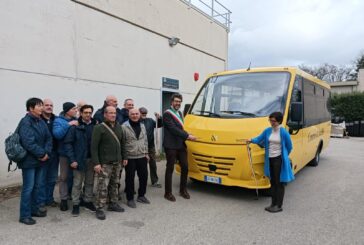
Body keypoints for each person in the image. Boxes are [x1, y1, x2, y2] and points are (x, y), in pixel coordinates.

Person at [248, 111, 294, 213]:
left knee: (279, 183)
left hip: (279, 159)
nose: (271, 123)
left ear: (279, 121)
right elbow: (259, 138)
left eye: (273, 121)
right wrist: (251, 140)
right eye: (270, 120)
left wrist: (284, 156)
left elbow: (289, 146)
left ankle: (279, 205)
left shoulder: (283, 132)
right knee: (272, 182)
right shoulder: (267, 131)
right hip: (270, 159)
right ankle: (273, 204)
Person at [18, 98, 52, 225]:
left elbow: (49, 138)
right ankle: (24, 215)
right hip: (29, 161)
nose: (42, 107)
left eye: (41, 105)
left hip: (41, 160)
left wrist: (46, 153)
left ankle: (34, 210)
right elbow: (28, 142)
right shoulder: (26, 122)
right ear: (31, 108)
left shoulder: (40, 121)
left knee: (37, 187)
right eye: (39, 106)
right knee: (28, 188)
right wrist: (42, 153)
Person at [91, 106, 127, 220]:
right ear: (105, 114)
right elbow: (94, 147)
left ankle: (113, 203)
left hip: (117, 162)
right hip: (105, 163)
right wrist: (96, 163)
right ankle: (99, 208)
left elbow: (123, 144)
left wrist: (124, 157)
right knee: (102, 186)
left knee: (115, 184)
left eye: (114, 113)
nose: (113, 115)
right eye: (110, 113)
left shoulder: (119, 127)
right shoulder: (99, 128)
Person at [64, 105, 97, 216]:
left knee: (89, 182)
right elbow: (68, 144)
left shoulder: (95, 126)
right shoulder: (74, 127)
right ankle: (76, 204)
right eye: (86, 112)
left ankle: (87, 201)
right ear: (81, 113)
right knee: (77, 183)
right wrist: (72, 160)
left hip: (91, 160)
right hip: (78, 160)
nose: (88, 114)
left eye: (90, 112)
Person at [163, 93, 196, 202]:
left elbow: (180, 129)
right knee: (170, 168)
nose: (178, 103)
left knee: (185, 167)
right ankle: (168, 193)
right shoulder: (167, 114)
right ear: (172, 102)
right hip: (171, 145)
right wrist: (187, 136)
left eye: (179, 102)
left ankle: (183, 190)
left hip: (180, 144)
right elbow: (173, 129)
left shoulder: (180, 113)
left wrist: (187, 133)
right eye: (176, 101)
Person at [53, 102, 78, 211]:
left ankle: (73, 195)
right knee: (63, 177)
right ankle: (63, 199)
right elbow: (57, 135)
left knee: (75, 176)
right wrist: (69, 124)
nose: (76, 110)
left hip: (76, 153)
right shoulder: (58, 120)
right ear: (67, 110)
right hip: (64, 154)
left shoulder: (77, 119)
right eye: (74, 108)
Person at [122, 108, 150, 208]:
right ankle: (130, 199)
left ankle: (141, 195)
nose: (135, 115)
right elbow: (122, 143)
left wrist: (146, 152)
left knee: (144, 177)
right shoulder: (124, 127)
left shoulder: (142, 125)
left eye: (136, 114)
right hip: (130, 157)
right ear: (129, 115)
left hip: (142, 155)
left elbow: (145, 140)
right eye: (132, 114)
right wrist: (124, 156)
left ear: (139, 115)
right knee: (130, 178)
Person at [41, 99, 59, 207]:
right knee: (42, 179)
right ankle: (41, 201)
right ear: (42, 106)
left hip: (55, 153)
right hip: (42, 155)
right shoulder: (38, 120)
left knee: (52, 179)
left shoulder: (56, 119)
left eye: (51, 105)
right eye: (46, 105)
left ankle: (49, 199)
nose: (49, 107)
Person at [139, 107, 163, 187]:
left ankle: (155, 181)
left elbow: (159, 125)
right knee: (142, 165)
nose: (144, 115)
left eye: (145, 114)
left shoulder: (150, 121)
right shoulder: (136, 121)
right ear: (139, 113)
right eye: (142, 114)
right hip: (141, 147)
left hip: (150, 146)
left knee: (153, 164)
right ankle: (142, 182)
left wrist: (159, 118)